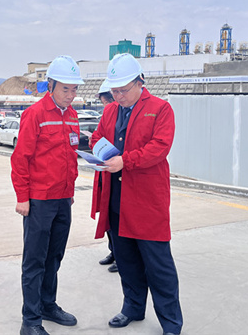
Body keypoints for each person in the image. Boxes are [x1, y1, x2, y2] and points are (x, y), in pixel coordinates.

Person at [90, 54, 183, 335]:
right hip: (116, 200)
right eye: (114, 91)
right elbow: (96, 137)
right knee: (126, 260)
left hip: (146, 202)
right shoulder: (110, 111)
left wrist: (125, 160)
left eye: (123, 90)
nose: (118, 96)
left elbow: (159, 147)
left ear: (140, 82)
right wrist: (100, 153)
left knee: (158, 265)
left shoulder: (160, 109)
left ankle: (171, 322)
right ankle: (132, 307)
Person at [11, 55, 84, 335]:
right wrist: (22, 196)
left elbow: (70, 157)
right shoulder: (36, 114)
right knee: (35, 260)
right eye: (65, 89)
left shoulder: (73, 115)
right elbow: (21, 158)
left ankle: (47, 304)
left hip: (63, 199)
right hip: (39, 200)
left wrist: (70, 190)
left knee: (54, 256)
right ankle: (30, 321)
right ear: (50, 85)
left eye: (74, 89)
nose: (71, 95)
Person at [94, 79, 118, 274]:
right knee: (107, 214)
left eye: (105, 102)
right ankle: (113, 251)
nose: (105, 106)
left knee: (117, 217)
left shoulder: (123, 116)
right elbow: (97, 136)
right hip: (105, 171)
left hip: (117, 173)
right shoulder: (107, 116)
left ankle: (121, 255)